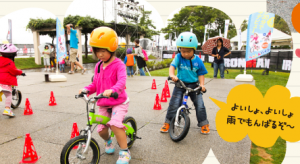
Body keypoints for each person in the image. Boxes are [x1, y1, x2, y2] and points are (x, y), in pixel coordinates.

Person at [79, 27, 131, 164]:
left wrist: (113, 90)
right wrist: (86, 90)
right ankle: (108, 141)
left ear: (112, 48)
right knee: (101, 130)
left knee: (114, 124)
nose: (100, 54)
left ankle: (125, 152)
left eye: (103, 51)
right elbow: (95, 84)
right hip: (103, 102)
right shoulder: (98, 66)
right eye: (97, 51)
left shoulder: (119, 65)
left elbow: (122, 81)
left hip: (118, 101)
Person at [160, 31, 210, 134]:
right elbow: (172, 66)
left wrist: (202, 85)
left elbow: (201, 73)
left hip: (194, 85)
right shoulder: (178, 57)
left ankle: (204, 124)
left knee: (199, 104)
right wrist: (172, 75)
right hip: (180, 84)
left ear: (194, 50)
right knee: (174, 103)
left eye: (188, 51)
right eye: (183, 51)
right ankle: (168, 122)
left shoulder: (198, 61)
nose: (185, 53)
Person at [0, 44, 25, 117]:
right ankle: (7, 109)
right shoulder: (9, 62)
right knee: (8, 95)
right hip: (4, 82)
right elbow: (13, 71)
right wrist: (21, 72)